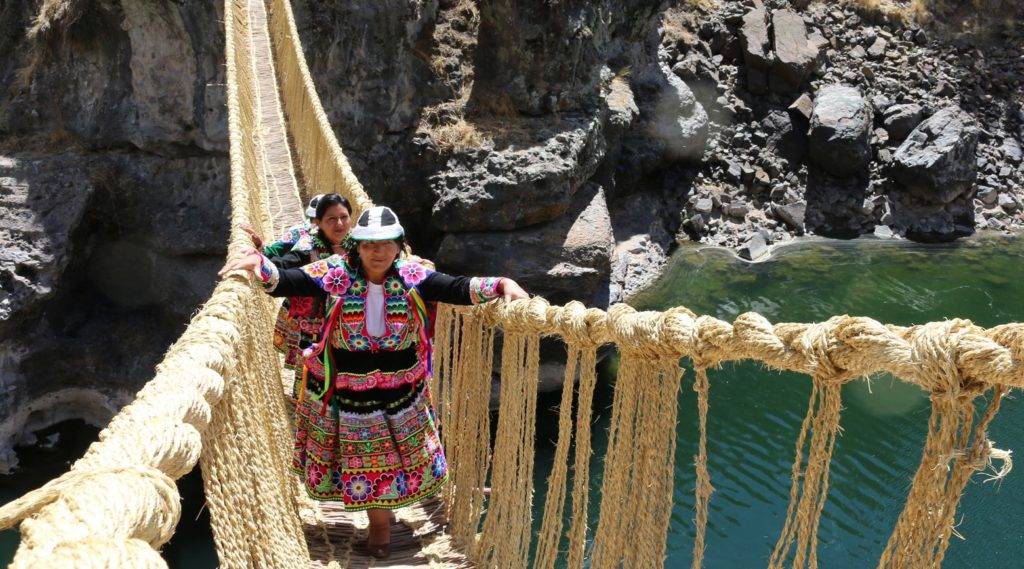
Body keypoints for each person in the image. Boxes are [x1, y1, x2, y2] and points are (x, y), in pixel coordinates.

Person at [219, 206, 528, 558]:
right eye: (368, 245)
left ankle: (383, 515)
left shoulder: (413, 276)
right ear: (356, 247)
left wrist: (502, 283)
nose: (376, 252)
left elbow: (457, 288)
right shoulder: (335, 273)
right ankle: (380, 525)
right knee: (366, 459)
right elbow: (289, 281)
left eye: (384, 244)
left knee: (393, 459)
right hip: (347, 390)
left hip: (401, 390)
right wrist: (258, 265)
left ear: (398, 246)